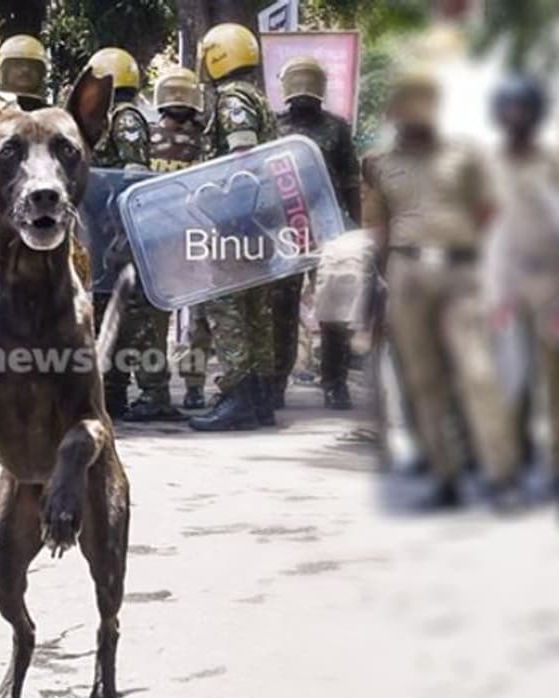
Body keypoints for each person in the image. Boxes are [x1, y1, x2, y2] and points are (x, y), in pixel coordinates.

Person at [362, 66, 520, 510]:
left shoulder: (464, 154)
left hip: (461, 271)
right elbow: (378, 227)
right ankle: (445, 476)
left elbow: (488, 211)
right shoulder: (379, 163)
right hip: (406, 273)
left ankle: (500, 475)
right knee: (423, 379)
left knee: (477, 372)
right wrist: (377, 292)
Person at [487, 74, 559, 507]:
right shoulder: (492, 166)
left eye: (523, 110)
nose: (515, 118)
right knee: (511, 381)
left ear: (535, 114)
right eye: (508, 110)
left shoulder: (555, 163)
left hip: (554, 282)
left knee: (557, 383)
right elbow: (490, 232)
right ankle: (512, 469)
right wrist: (495, 290)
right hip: (510, 281)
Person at [189, 23, 280, 432]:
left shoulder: (232, 99)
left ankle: (238, 396)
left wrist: (224, 211)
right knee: (256, 309)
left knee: (226, 306)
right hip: (260, 222)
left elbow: (241, 157)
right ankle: (260, 398)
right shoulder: (259, 96)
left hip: (235, 222)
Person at [275, 55, 363, 411]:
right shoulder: (274, 126)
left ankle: (335, 383)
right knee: (280, 306)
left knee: (334, 308)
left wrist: (354, 230)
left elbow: (350, 183)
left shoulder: (336, 129)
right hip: (285, 228)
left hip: (329, 228)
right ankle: (275, 381)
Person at [85, 47, 160, 420]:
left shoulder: (125, 117)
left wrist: (119, 226)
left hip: (122, 231)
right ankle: (111, 391)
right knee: (106, 309)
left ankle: (153, 394)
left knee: (134, 312)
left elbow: (134, 173)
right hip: (105, 231)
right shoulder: (112, 116)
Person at [146, 67, 213, 412]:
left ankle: (191, 385)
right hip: (164, 237)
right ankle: (164, 386)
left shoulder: (205, 139)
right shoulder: (149, 137)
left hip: (191, 235)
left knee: (194, 317)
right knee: (163, 316)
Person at [0, 34, 49, 111]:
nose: (25, 69)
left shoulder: (50, 115)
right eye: (17, 64)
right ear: (4, 71)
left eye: (32, 65)